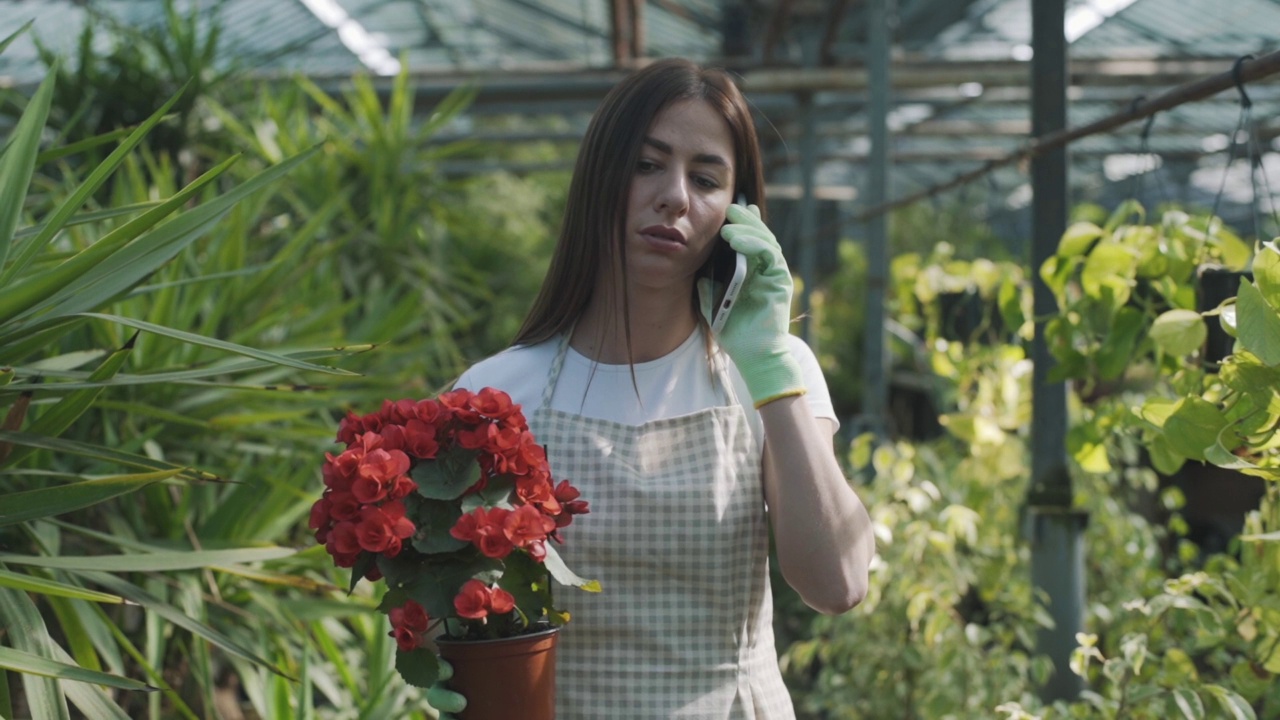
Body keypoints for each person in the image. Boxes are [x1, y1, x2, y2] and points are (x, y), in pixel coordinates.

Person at [445, 57, 875, 719]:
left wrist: (769, 366)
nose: (675, 195)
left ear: (738, 213)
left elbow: (839, 583)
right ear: (598, 180)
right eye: (647, 164)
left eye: (705, 178)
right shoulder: (498, 394)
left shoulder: (770, 377)